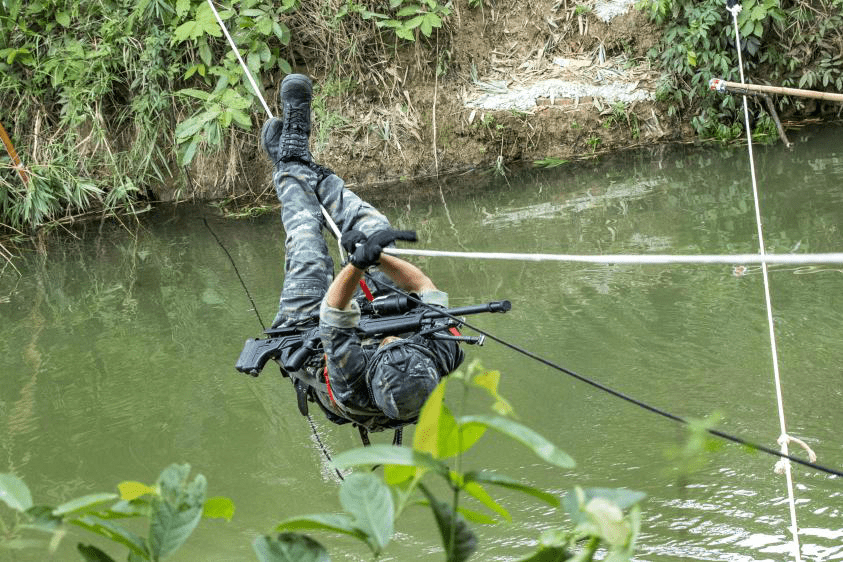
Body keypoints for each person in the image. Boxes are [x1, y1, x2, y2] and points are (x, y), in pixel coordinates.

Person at [260, 73, 464, 433]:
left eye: (386, 345)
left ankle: (292, 153)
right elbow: (421, 285)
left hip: (312, 334)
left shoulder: (351, 381)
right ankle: (299, 164)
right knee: (374, 227)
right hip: (381, 315)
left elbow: (333, 311)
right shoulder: (443, 351)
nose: (390, 338)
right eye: (397, 341)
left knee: (308, 245)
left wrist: (357, 263)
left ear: (373, 365)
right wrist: (374, 254)